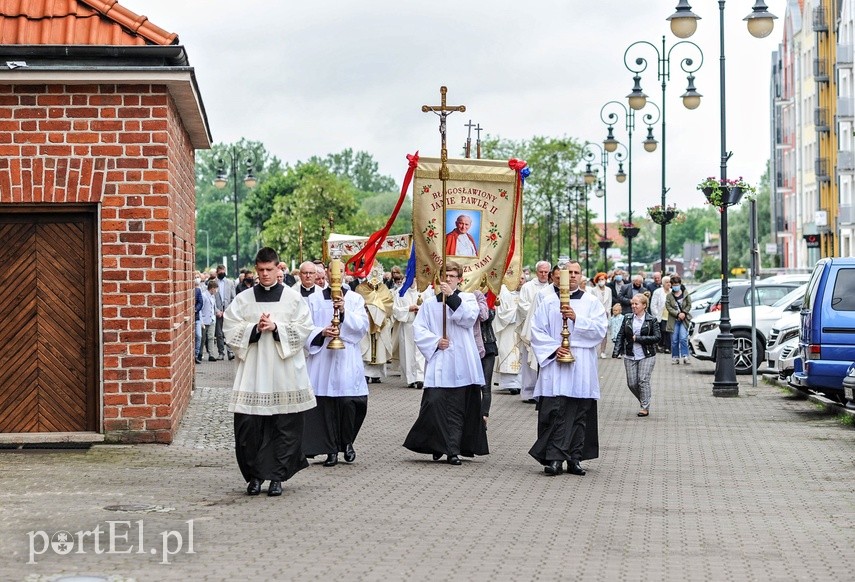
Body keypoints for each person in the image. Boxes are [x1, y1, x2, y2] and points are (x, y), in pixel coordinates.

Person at [223, 247, 317, 497]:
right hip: (253, 375)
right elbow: (230, 328)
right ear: (256, 270)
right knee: (249, 429)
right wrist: (254, 329)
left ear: (279, 270)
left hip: (283, 373)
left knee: (284, 427)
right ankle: (254, 477)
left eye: (269, 270)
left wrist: (277, 328)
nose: (264, 274)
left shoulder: (293, 298)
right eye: (260, 270)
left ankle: (277, 477)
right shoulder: (243, 299)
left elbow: (305, 328)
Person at [403, 261, 488, 465]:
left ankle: (453, 450)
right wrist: (434, 341)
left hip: (462, 362)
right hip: (440, 358)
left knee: (458, 408)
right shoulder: (430, 303)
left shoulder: (467, 299)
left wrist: (451, 297)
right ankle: (436, 444)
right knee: (434, 404)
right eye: (445, 275)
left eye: (452, 276)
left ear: (459, 279)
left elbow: (468, 319)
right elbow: (419, 328)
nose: (448, 279)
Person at [528, 262, 607, 476]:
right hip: (555, 363)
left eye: (576, 273)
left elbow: (600, 329)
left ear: (582, 276)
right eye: (568, 272)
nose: (572, 276)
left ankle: (575, 458)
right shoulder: (548, 301)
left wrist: (576, 318)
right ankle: (554, 458)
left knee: (580, 411)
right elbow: (536, 331)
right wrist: (554, 349)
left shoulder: (591, 302)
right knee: (555, 411)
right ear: (561, 276)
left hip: (581, 363)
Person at [303, 273, 370, 467]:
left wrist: (344, 313)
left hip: (347, 356)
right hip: (323, 358)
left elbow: (363, 326)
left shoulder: (355, 298)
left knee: (350, 403)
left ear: (343, 275)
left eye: (339, 272)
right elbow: (305, 327)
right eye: (331, 272)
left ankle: (347, 442)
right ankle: (330, 449)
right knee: (325, 406)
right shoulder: (314, 299)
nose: (335, 276)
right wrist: (321, 332)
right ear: (326, 274)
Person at [612, 293, 660, 417]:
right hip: (630, 354)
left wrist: (638, 338)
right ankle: (644, 399)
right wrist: (616, 350)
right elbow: (621, 335)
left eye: (636, 304)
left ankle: (645, 406)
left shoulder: (651, 320)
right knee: (632, 383)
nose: (633, 306)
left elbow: (657, 337)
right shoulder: (627, 318)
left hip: (647, 354)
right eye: (632, 304)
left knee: (643, 380)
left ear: (644, 305)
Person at [517, 261, 551, 402]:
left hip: (546, 329)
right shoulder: (527, 287)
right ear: (536, 272)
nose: (543, 274)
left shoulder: (551, 288)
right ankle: (528, 392)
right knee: (528, 362)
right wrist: (537, 313)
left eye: (546, 272)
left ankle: (542, 391)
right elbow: (522, 305)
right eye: (541, 272)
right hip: (530, 328)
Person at [356, 265, 394, 383]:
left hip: (381, 322)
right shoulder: (360, 288)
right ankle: (366, 373)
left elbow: (389, 303)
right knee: (366, 348)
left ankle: (377, 374)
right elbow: (358, 303)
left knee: (379, 349)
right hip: (367, 322)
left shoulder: (384, 289)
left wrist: (378, 310)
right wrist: (369, 307)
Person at [392, 281, 425, 389]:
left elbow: (429, 305)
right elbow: (395, 310)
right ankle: (410, 378)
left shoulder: (425, 289)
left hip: (421, 325)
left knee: (420, 352)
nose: (414, 280)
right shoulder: (401, 292)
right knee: (408, 352)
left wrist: (420, 310)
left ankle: (420, 377)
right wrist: (408, 309)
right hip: (407, 325)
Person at [493, 278, 524, 394]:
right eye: (518, 278)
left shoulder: (524, 292)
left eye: (522, 278)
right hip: (508, 330)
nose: (520, 281)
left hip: (520, 330)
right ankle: (510, 384)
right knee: (508, 354)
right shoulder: (504, 292)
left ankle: (520, 384)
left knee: (520, 356)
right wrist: (518, 311)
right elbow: (501, 313)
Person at [666, 275, 693, 364]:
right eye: (673, 284)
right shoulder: (669, 296)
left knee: (683, 338)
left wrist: (684, 313)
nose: (675, 286)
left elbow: (689, 305)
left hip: (684, 320)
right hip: (674, 320)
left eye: (677, 284)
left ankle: (685, 355)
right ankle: (675, 356)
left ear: (680, 284)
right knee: (674, 339)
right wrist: (677, 314)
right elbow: (668, 307)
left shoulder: (685, 294)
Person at [214, 264, 236, 361]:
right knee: (219, 333)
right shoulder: (213, 282)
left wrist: (229, 310)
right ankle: (221, 353)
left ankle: (230, 352)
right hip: (218, 311)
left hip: (227, 310)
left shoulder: (230, 283)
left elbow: (233, 298)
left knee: (228, 332)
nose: (222, 273)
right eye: (220, 271)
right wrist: (217, 310)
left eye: (224, 271)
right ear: (217, 272)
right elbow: (212, 298)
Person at [590, 272, 613, 359]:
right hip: (597, 314)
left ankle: (603, 351)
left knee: (605, 333)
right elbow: (593, 302)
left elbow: (609, 301)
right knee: (596, 332)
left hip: (606, 314)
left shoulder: (608, 290)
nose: (601, 281)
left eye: (603, 279)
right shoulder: (593, 290)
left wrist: (607, 311)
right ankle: (595, 350)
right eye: (599, 279)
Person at [650, 276, 672, 353]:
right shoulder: (658, 292)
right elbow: (653, 305)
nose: (668, 284)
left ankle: (668, 347)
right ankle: (660, 345)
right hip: (661, 315)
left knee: (669, 332)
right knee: (662, 331)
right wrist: (656, 314)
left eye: (669, 282)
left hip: (670, 315)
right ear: (663, 283)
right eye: (667, 282)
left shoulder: (672, 292)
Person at [200, 279, 218, 362]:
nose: (216, 290)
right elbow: (201, 308)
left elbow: (213, 307)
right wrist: (201, 320)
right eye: (216, 288)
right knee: (202, 338)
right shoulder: (204, 296)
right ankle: (199, 353)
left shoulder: (213, 296)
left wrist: (216, 313)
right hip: (204, 320)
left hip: (211, 319)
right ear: (212, 288)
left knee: (211, 337)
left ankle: (211, 355)